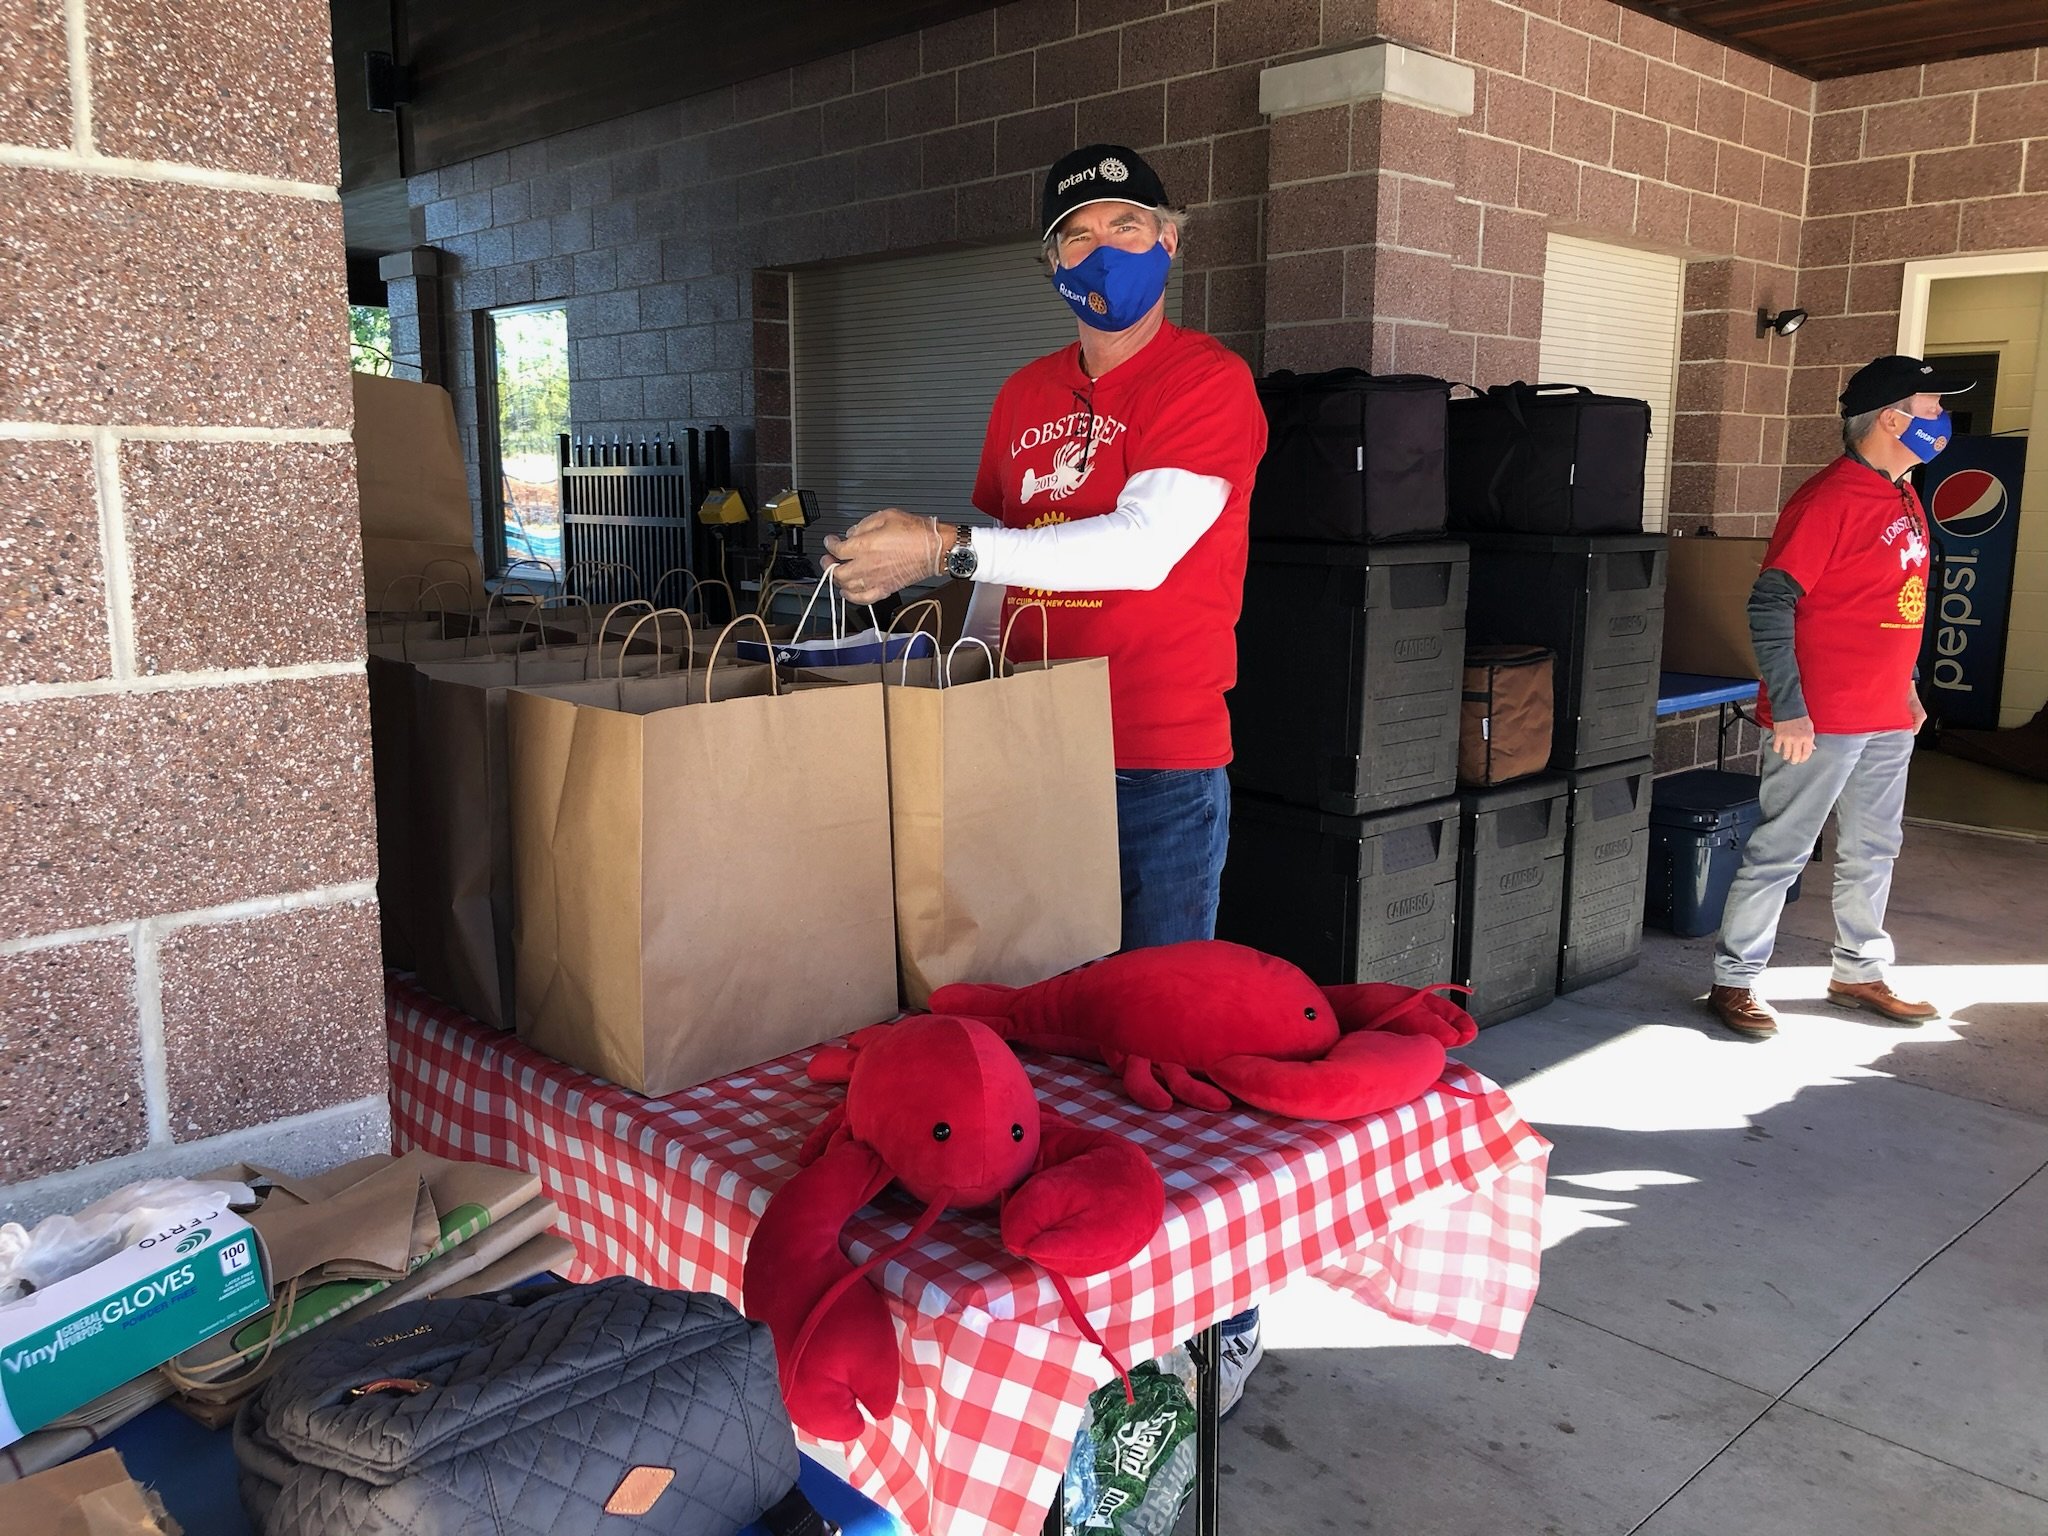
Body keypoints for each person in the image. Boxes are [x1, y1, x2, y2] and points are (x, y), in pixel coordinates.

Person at [822, 143, 1270, 1410]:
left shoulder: (1207, 382)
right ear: (1049, 264)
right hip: (1024, 751)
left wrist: (944, 543)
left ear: (1170, 241)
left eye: (1127, 225)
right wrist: (952, 661)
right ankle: (1068, 1295)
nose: (1102, 251)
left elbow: (1141, 547)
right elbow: (998, 564)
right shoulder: (1022, 393)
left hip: (1152, 759)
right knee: (1028, 1035)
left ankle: (1212, 1310)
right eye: (1076, 235)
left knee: (1163, 1056)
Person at [1706, 354, 1969, 1038]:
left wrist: (1908, 687)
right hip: (1820, 719)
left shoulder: (1904, 493)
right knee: (1781, 851)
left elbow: (1891, 602)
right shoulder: (1828, 499)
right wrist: (1790, 708)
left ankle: (1858, 971)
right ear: (1893, 420)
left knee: (1874, 848)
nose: (1944, 419)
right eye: (1934, 408)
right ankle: (1734, 981)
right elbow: (1771, 603)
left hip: (1886, 714)